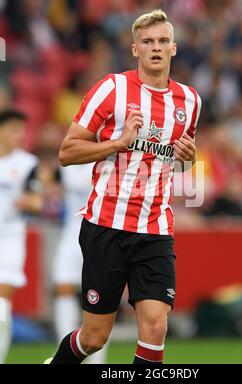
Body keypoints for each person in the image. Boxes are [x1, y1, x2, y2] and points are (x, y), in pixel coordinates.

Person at [47, 9, 201, 364]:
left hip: (155, 229)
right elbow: (67, 152)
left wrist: (190, 157)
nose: (156, 48)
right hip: (106, 226)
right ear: (135, 49)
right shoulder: (111, 89)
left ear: (174, 48)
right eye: (147, 42)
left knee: (155, 327)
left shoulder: (190, 101)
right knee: (94, 338)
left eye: (163, 41)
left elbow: (182, 161)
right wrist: (117, 143)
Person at [53, 163, 108, 363]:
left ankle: (97, 361)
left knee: (99, 297)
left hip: (101, 231)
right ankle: (64, 354)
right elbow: (52, 189)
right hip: (71, 231)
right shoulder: (67, 162)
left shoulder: (109, 157)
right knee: (63, 288)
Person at [0, 110, 41, 364]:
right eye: (14, 129)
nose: (20, 135)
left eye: (22, 129)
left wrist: (31, 201)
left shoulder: (27, 163)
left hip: (10, 238)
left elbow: (37, 201)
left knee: (2, 303)